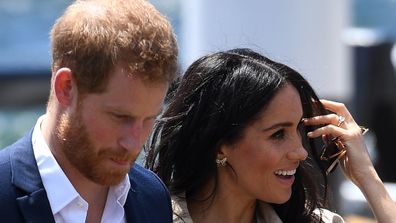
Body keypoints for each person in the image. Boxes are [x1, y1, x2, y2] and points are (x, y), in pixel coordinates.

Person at [145, 48, 396, 222]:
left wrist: (366, 176)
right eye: (278, 134)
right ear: (220, 144)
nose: (300, 151)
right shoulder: (145, 215)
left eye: (298, 129)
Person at [0, 0, 177, 222]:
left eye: (149, 119)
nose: (133, 144)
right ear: (65, 87)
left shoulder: (153, 199)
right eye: (120, 117)